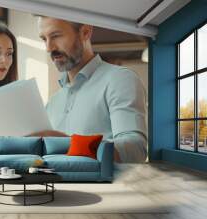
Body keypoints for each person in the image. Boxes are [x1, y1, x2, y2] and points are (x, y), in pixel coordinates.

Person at [34, 16, 147, 163]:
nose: (49, 48)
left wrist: (71, 144)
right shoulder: (53, 102)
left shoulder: (119, 79)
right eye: (44, 39)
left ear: (85, 32)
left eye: (56, 36)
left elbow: (135, 150)